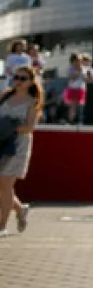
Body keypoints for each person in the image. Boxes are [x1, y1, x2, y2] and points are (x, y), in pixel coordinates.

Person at [0, 65, 42, 237]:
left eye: (22, 78)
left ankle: (2, 225)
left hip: (17, 146)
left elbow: (30, 127)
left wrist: (11, 126)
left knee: (7, 184)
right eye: (16, 77)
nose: (18, 81)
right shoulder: (5, 96)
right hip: (1, 143)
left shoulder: (32, 102)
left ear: (31, 82)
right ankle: (20, 208)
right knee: (1, 186)